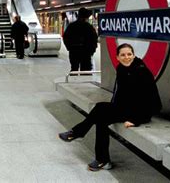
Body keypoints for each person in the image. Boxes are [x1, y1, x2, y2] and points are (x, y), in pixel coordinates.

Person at [58, 43, 162, 171]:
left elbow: (152, 101)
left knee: (101, 111)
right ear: (117, 57)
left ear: (134, 55)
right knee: (101, 114)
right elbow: (119, 92)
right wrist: (112, 107)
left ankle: (79, 133)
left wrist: (136, 120)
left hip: (140, 113)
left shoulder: (141, 71)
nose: (127, 57)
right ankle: (103, 160)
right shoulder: (121, 69)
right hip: (125, 108)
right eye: (123, 55)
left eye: (129, 54)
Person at [62, 7, 98, 71]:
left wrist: (69, 47)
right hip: (86, 52)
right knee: (85, 71)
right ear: (86, 17)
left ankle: (73, 80)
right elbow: (94, 39)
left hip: (74, 51)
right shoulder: (89, 27)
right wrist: (92, 51)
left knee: (74, 69)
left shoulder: (71, 26)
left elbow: (65, 37)